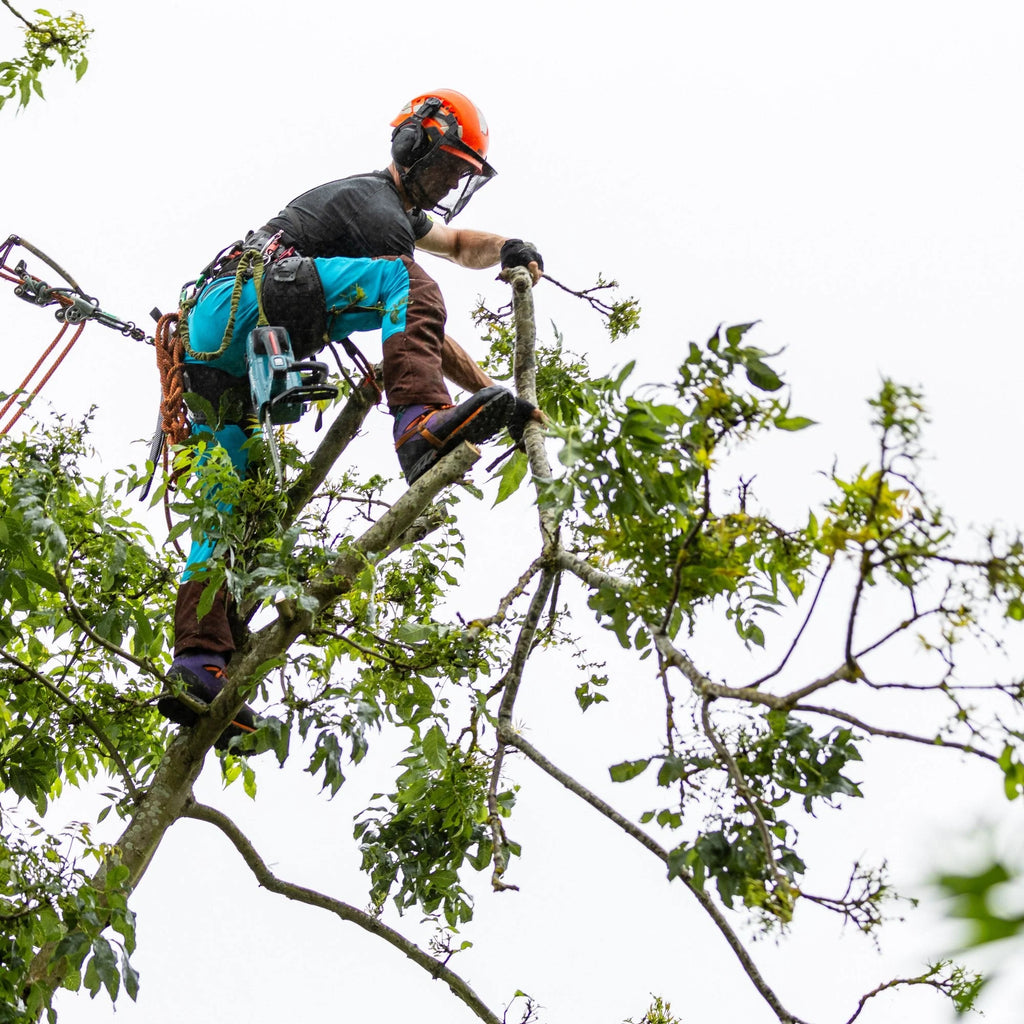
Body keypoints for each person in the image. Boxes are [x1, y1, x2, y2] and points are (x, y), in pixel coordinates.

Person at [158, 89, 544, 747]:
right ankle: (418, 423)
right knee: (410, 287)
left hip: (216, 356)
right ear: (413, 146)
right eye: (447, 166)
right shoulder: (374, 207)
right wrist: (493, 394)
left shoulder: (395, 214)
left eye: (461, 175)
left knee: (237, 505)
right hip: (241, 304)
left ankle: (199, 665)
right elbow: (419, 307)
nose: (450, 182)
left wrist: (508, 245)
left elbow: (457, 244)